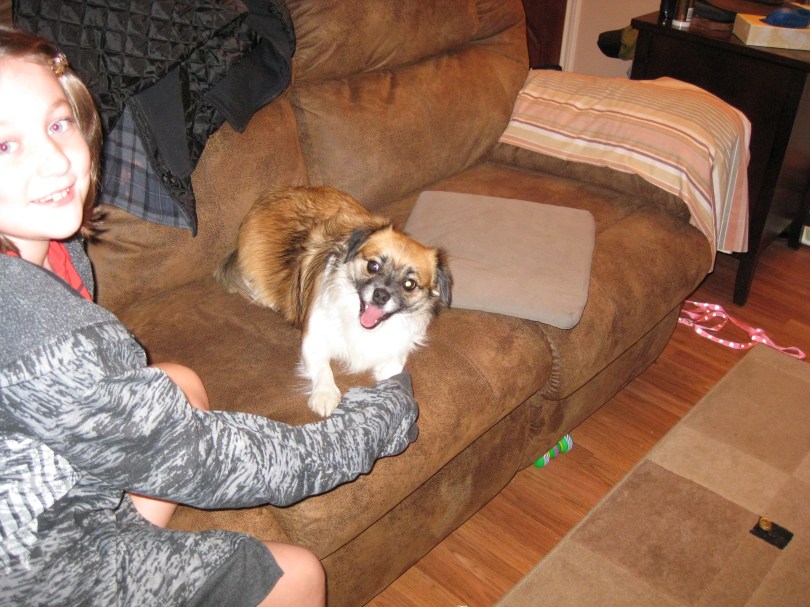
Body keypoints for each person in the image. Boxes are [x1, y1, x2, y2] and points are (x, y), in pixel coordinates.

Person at [0, 26, 419, 607]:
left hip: (47, 490)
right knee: (296, 575)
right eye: (5, 146)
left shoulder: (53, 249)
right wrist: (383, 417)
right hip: (34, 574)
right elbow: (219, 461)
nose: (54, 162)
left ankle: (128, 542)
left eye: (57, 124)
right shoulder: (35, 329)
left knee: (179, 382)